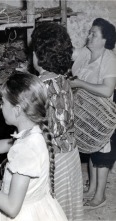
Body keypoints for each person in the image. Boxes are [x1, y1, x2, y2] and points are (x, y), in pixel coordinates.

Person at [0, 73, 67, 221]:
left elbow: (12, 208)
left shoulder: (26, 150)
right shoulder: (34, 131)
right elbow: (10, 143)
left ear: (16, 110)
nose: (1, 107)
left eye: (3, 102)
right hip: (38, 207)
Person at [31, 23, 84, 220]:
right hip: (71, 154)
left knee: (51, 210)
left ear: (38, 55)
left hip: (52, 159)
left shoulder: (38, 86)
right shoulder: (64, 80)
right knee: (67, 206)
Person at [71, 18, 116, 209]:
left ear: (104, 40)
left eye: (93, 34)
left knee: (102, 154)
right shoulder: (85, 53)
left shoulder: (109, 59)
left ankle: (100, 195)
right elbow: (69, 54)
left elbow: (107, 90)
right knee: (91, 149)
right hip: (86, 111)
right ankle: (91, 190)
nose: (88, 36)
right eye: (89, 32)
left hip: (103, 113)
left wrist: (80, 84)